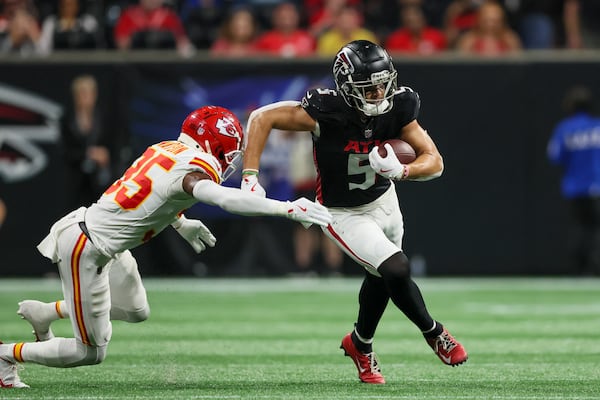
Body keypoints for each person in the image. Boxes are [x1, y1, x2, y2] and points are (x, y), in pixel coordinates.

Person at [0, 105, 332, 389]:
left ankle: (47, 311)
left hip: (102, 242)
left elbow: (153, 193)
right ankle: (5, 355)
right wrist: (285, 207)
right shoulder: (192, 169)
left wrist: (180, 221)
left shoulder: (165, 149)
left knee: (136, 310)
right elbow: (223, 198)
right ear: (210, 144)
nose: (227, 162)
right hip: (87, 247)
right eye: (225, 154)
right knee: (90, 352)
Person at [240, 40, 467, 384]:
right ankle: (433, 331)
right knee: (396, 266)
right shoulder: (326, 110)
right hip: (343, 212)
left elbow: (434, 162)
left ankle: (360, 344)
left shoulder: (399, 106)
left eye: (382, 83)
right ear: (346, 87)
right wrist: (250, 176)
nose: (378, 93)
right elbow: (261, 117)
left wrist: (403, 172)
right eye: (368, 87)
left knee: (383, 274)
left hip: (385, 200)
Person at [547, 86, 600, 276]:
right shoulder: (597, 126)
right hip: (596, 186)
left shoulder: (565, 129)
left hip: (575, 187)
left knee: (580, 227)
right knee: (595, 228)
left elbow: (554, 156)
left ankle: (579, 269)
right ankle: (594, 268)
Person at [62, 75, 112, 210]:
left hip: (99, 181)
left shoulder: (103, 118)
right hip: (76, 182)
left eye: (89, 93)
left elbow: (113, 145)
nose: (86, 97)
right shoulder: (67, 120)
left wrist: (104, 156)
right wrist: (87, 154)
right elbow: (65, 151)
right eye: (82, 93)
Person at [113, 0, 194, 57]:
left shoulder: (170, 17)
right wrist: (139, 39)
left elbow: (183, 42)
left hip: (164, 65)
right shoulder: (128, 16)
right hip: (136, 66)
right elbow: (121, 45)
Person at [455, 0, 522, 56]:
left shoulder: (510, 40)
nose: (491, 25)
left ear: (502, 21)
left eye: (495, 21)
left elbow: (516, 65)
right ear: (479, 20)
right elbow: (462, 66)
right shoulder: (468, 41)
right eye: (486, 21)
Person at [38, 0, 103, 53]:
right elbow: (43, 49)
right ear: (59, 6)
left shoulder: (88, 22)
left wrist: (74, 26)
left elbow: (98, 47)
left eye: (71, 5)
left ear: (77, 6)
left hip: (84, 65)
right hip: (58, 64)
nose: (68, 8)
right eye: (64, 5)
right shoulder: (51, 23)